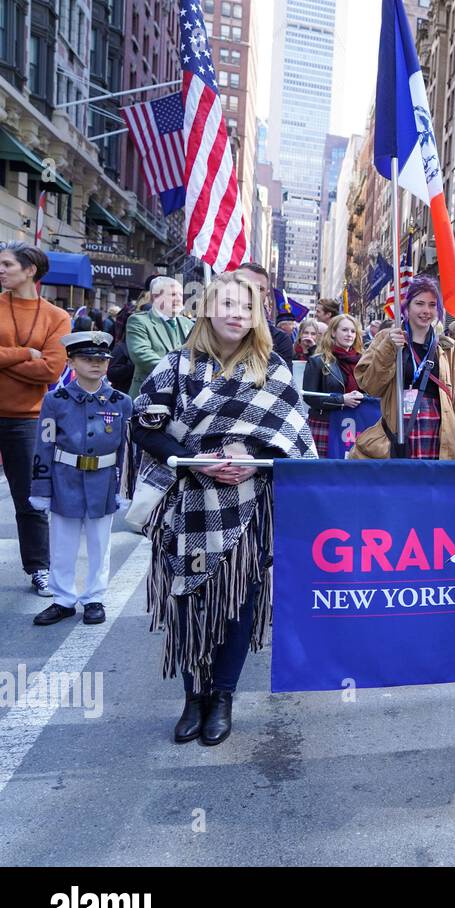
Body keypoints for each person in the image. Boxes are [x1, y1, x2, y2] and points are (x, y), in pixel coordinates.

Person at [131, 273, 316, 746]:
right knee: (189, 600)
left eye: (246, 307)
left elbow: (297, 446)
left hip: (247, 507)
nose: (236, 314)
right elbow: (144, 428)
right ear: (209, 308)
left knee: (238, 602)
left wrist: (255, 466)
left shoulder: (272, 369)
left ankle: (224, 697)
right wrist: (198, 460)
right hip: (187, 502)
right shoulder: (177, 366)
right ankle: (194, 698)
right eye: (228, 304)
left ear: (257, 316)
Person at [28, 330, 132, 626]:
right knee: (63, 543)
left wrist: (124, 488)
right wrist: (41, 488)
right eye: (87, 358)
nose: (96, 364)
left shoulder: (121, 402)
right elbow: (44, 444)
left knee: (100, 543)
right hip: (65, 479)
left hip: (103, 481)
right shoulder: (55, 400)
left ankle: (94, 598)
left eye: (102, 359)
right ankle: (62, 599)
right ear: (71, 361)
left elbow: (127, 450)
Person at [0, 241, 70, 597]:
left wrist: (6, 360)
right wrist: (24, 353)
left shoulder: (57, 317)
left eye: (7, 264)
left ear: (30, 271)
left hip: (26, 420)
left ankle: (39, 569)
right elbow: (38, 363)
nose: (1, 270)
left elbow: (51, 369)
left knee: (29, 500)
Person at [350, 274, 455, 461]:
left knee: (432, 489)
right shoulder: (387, 337)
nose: (426, 310)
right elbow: (370, 386)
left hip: (439, 437)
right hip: (398, 432)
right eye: (419, 303)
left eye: (432, 305)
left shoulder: (451, 349)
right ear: (407, 306)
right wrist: (389, 348)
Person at [301, 313, 366, 457]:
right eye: (344, 330)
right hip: (325, 423)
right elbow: (309, 397)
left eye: (353, 331)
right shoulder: (318, 361)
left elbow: (372, 391)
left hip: (354, 424)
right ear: (333, 332)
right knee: (322, 474)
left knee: (349, 473)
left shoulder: (363, 362)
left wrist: (364, 396)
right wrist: (341, 400)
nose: (349, 334)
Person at [126, 276, 193, 398]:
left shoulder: (188, 323)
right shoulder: (138, 321)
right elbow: (141, 354)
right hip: (148, 393)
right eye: (172, 295)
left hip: (181, 396)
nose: (178, 299)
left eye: (180, 295)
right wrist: (179, 373)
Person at [234, 262, 295, 366]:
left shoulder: (279, 340)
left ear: (266, 294)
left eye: (259, 289)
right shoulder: (212, 327)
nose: (252, 291)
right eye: (245, 285)